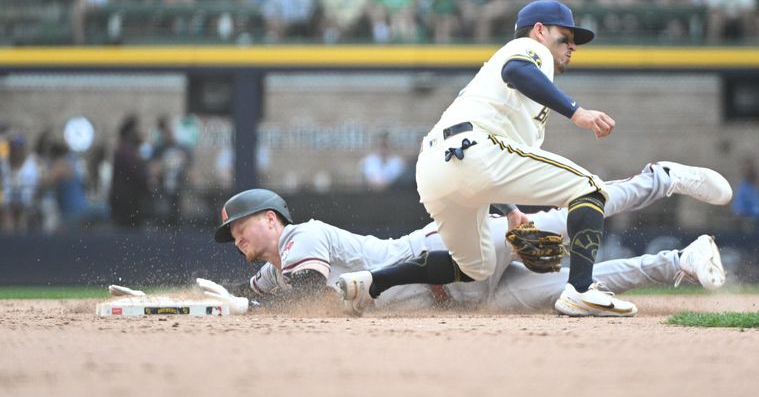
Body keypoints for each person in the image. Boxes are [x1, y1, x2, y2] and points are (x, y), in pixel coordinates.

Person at [338, 0, 635, 317]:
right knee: (590, 188)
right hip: (474, 148)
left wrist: (509, 210)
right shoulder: (529, 49)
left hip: (436, 168)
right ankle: (580, 290)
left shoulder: (511, 92)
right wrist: (577, 113)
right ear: (539, 31)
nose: (572, 46)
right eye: (565, 36)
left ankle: (370, 283)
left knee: (475, 266)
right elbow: (516, 70)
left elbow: (500, 156)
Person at [210, 161, 730, 315]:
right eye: (231, 232)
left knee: (576, 213)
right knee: (570, 290)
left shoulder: (302, 236)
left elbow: (302, 291)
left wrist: (252, 309)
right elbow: (267, 287)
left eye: (240, 225)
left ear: (272, 220)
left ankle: (660, 178)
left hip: (458, 250)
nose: (235, 236)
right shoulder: (275, 267)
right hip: (468, 295)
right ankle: (677, 260)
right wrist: (222, 303)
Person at [110, 114, 151, 228]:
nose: (141, 133)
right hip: (127, 205)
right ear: (131, 132)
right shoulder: (126, 151)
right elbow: (139, 174)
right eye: (138, 129)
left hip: (127, 203)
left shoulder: (126, 150)